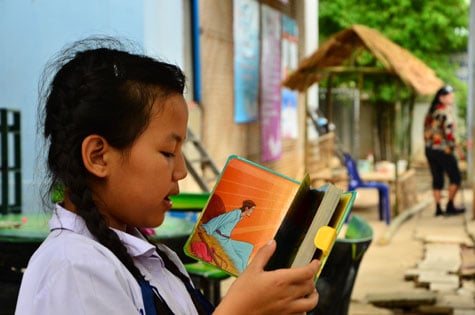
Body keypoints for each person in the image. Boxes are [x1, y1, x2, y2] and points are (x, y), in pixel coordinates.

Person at [15, 37, 320, 315]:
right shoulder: (74, 269)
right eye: (168, 152)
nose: (182, 171)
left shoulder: (156, 259)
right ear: (98, 156)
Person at [423, 85, 465, 216]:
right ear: (441, 98)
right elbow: (449, 134)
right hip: (443, 150)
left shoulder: (431, 112)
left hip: (430, 150)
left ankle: (438, 208)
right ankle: (450, 205)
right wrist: (459, 150)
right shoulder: (444, 113)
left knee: (437, 178)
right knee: (456, 178)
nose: (452, 97)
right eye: (449, 96)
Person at [200, 200, 256, 273]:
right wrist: (207, 227)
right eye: (252, 209)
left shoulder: (240, 216)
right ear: (246, 208)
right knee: (238, 262)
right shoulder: (235, 214)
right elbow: (220, 219)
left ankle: (244, 271)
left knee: (248, 247)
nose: (252, 211)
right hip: (220, 238)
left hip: (226, 239)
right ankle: (240, 275)